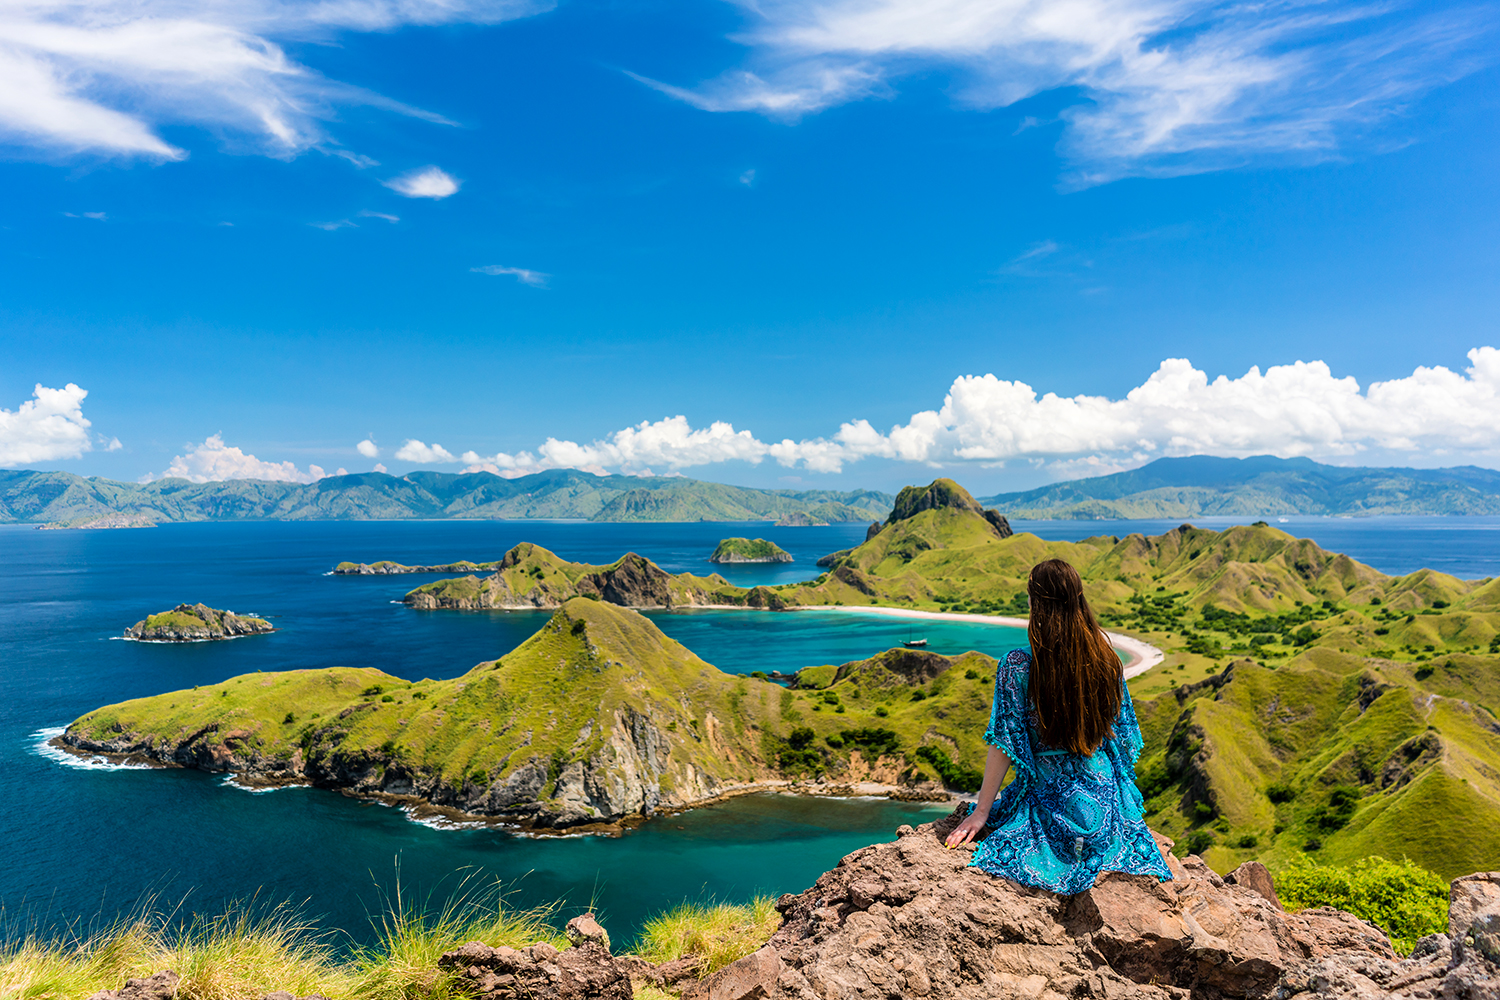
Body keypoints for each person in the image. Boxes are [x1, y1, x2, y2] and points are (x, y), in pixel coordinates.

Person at [943, 557, 1172, 892]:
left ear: (1037, 604)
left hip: (1050, 796)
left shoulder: (1018, 665)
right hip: (1104, 795)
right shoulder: (1108, 659)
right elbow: (1121, 743)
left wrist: (981, 811)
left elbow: (1005, 744)